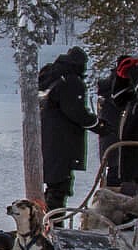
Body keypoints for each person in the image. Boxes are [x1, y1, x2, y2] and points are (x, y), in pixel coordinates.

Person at [38, 46, 97, 209]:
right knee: (58, 187)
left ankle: (48, 222)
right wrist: (96, 124)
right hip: (63, 140)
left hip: (47, 137)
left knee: (54, 186)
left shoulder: (50, 77)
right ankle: (53, 225)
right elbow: (75, 111)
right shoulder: (69, 81)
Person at [94, 54, 138, 171]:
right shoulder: (121, 87)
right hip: (120, 141)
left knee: (114, 172)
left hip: (112, 142)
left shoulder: (110, 86)